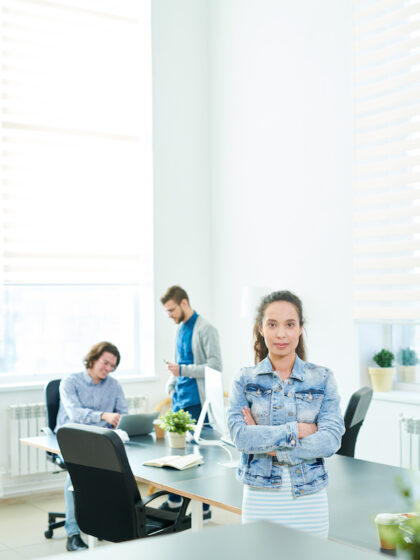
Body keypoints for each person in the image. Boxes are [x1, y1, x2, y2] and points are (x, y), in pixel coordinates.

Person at [227, 290, 344, 538]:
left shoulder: (323, 378)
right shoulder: (244, 379)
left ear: (300, 328)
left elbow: (331, 440)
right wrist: (299, 430)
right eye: (272, 324)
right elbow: (241, 438)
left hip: (310, 498)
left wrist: (269, 443)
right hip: (260, 498)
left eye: (290, 324)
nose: (281, 333)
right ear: (261, 328)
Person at [55, 341, 128, 552]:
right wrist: (104, 415)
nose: (108, 369)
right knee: (76, 476)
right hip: (73, 438)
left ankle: (106, 525)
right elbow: (75, 414)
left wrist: (121, 422)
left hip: (101, 439)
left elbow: (123, 413)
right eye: (105, 363)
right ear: (93, 358)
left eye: (112, 366)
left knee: (121, 470)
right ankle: (73, 534)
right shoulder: (70, 382)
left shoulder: (113, 385)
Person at [160, 285, 222, 520]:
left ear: (184, 303)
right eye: (167, 311)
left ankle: (202, 508)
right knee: (176, 454)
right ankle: (175, 503)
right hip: (180, 399)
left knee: (196, 457)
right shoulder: (180, 329)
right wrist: (173, 380)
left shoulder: (206, 329)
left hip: (198, 401)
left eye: (171, 310)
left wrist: (182, 370)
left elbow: (215, 367)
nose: (170, 315)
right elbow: (179, 362)